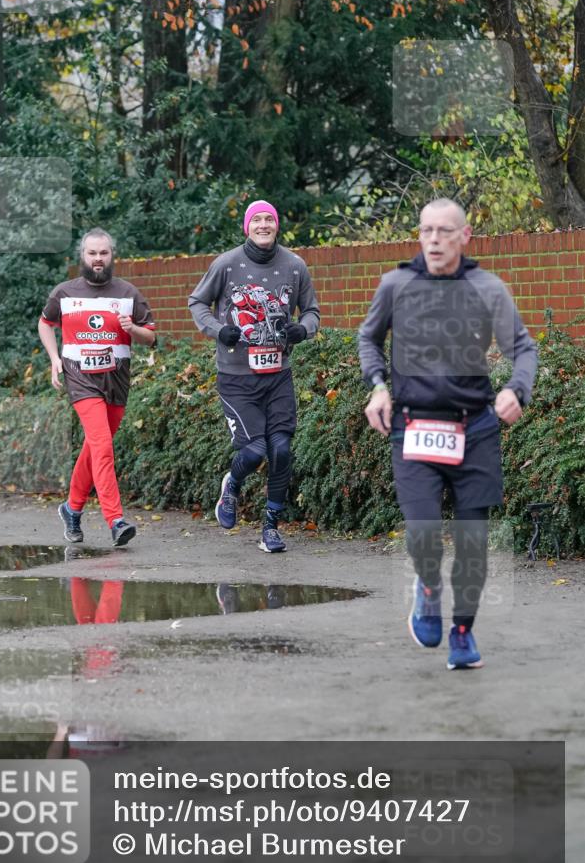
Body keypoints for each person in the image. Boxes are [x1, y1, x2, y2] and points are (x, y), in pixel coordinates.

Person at [358, 199, 537, 669]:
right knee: (425, 534)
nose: (434, 239)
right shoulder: (396, 285)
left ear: (465, 236)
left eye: (444, 231)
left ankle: (462, 632)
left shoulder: (486, 287)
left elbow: (523, 347)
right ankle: (429, 589)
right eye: (426, 231)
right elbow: (368, 339)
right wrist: (378, 387)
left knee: (474, 542)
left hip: (474, 427)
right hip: (413, 427)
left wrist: (517, 389)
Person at [189, 200, 320, 553]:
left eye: (269, 219)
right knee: (256, 449)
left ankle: (270, 528)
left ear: (277, 225)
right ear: (247, 226)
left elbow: (312, 312)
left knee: (281, 450)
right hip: (236, 377)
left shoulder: (294, 266)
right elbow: (197, 302)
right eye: (257, 220)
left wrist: (301, 331)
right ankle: (232, 482)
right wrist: (218, 330)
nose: (263, 225)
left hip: (278, 374)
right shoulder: (227, 264)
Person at [38, 227, 155, 547]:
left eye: (104, 253)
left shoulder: (128, 293)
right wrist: (54, 359)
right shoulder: (64, 292)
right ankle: (115, 520)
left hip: (116, 381)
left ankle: (71, 509)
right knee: (101, 444)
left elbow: (152, 336)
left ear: (112, 255)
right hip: (80, 379)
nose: (98, 258)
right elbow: (45, 323)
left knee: (94, 448)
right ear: (83, 256)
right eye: (92, 253)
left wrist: (134, 329)